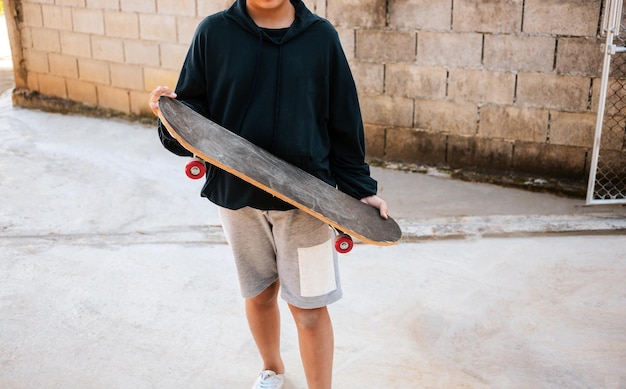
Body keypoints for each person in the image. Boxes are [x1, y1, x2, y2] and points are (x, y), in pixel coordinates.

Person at [149, 0, 388, 388]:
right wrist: (169, 117)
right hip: (238, 197)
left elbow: (344, 119)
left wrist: (360, 191)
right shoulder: (214, 33)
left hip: (309, 204)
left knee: (309, 310)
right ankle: (271, 369)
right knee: (259, 294)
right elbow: (192, 117)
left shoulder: (320, 37)